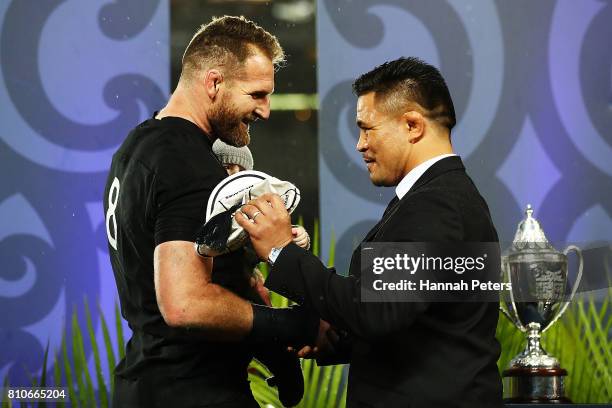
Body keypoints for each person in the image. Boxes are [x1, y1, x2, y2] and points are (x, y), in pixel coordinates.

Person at [237, 57, 503, 407]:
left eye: (367, 128)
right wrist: (337, 337)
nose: (360, 144)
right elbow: (419, 322)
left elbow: (376, 311)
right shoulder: (450, 198)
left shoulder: (437, 205)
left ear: (412, 125)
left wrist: (281, 251)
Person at [103, 16, 317, 408]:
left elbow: (210, 279)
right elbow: (186, 303)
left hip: (144, 383)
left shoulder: (137, 146)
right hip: (194, 391)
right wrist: (295, 325)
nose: (266, 111)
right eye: (256, 95)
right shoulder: (185, 161)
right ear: (214, 83)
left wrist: (274, 353)